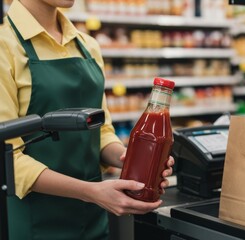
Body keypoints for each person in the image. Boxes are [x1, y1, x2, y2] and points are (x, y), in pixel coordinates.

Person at [0, 0, 174, 239]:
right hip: (36, 222)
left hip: (93, 220)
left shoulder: (87, 45)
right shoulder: (4, 45)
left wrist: (136, 163)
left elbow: (101, 132)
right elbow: (9, 157)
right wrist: (90, 192)